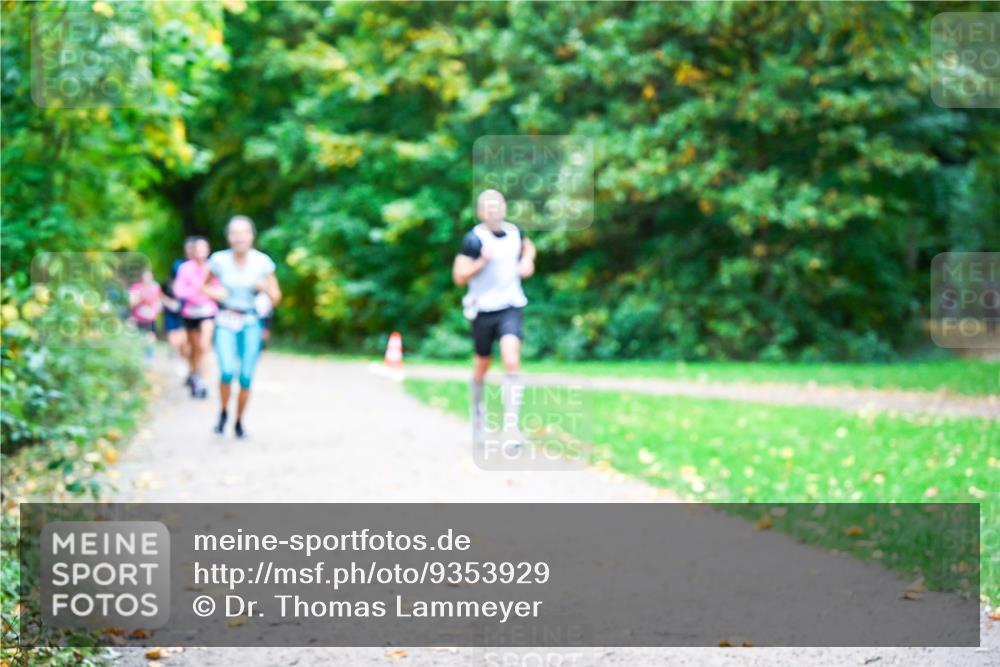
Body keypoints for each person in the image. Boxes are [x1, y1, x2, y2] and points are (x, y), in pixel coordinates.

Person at [452, 189, 536, 445]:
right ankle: (478, 418)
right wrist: (481, 263)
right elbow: (458, 276)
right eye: (488, 208)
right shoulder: (473, 240)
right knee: (482, 365)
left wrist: (527, 262)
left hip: (510, 305)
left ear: (503, 208)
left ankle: (512, 428)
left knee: (511, 359)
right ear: (480, 213)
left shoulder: (515, 232)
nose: (494, 211)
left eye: (497, 206)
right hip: (482, 310)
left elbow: (528, 247)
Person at [202, 215, 281, 439]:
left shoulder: (263, 263)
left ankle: (238, 422)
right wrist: (217, 294)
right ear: (228, 237)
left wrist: (264, 287)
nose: (239, 237)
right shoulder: (218, 261)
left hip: (251, 322)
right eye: (235, 233)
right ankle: (223, 412)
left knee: (246, 376)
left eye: (244, 232)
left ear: (251, 236)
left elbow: (276, 297)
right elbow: (203, 287)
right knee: (227, 372)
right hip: (226, 319)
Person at [173, 237, 217, 398]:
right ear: (193, 251)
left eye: (204, 249)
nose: (201, 253)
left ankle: (202, 382)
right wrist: (195, 291)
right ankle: (194, 375)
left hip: (208, 312)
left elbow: (219, 288)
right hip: (190, 313)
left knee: (205, 345)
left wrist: (207, 293)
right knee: (194, 348)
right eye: (198, 249)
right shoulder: (185, 268)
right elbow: (179, 290)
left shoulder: (213, 267)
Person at [128, 269, 162, 363]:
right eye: (145, 276)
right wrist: (141, 297)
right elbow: (131, 303)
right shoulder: (136, 287)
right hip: (137, 318)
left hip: (150, 318)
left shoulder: (155, 287)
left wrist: (156, 311)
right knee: (137, 339)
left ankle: (148, 360)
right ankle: (137, 359)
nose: (147, 278)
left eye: (149, 276)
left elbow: (158, 301)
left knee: (150, 338)